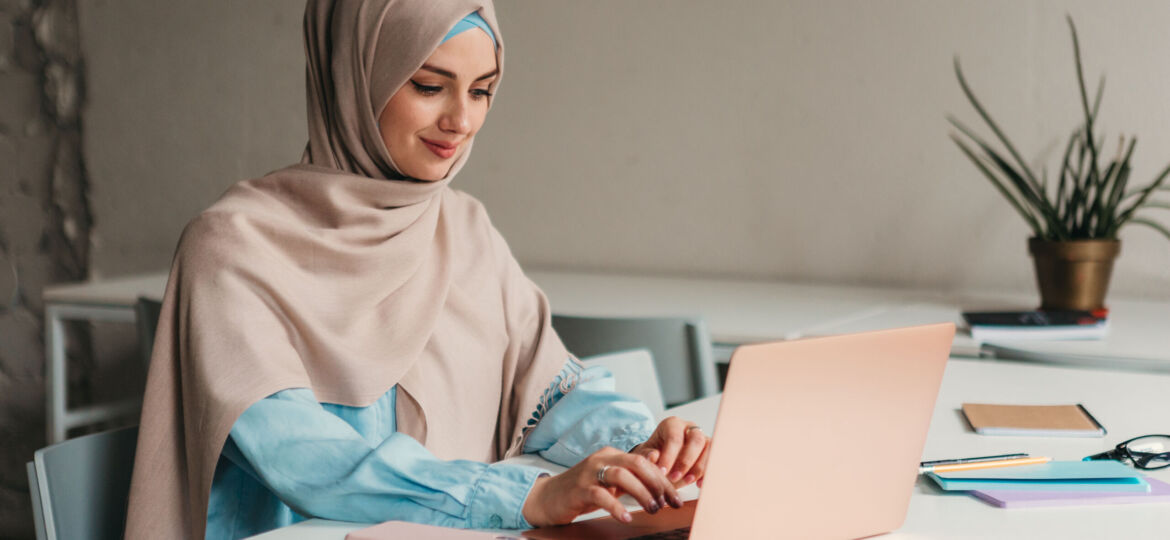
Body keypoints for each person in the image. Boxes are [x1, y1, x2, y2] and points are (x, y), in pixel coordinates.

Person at [123, 1, 711, 539]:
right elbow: (307, 460)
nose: (461, 120)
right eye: (430, 86)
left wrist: (641, 446)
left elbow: (549, 388)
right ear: (354, 81)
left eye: (482, 91)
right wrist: (527, 495)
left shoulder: (462, 228)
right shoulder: (231, 248)